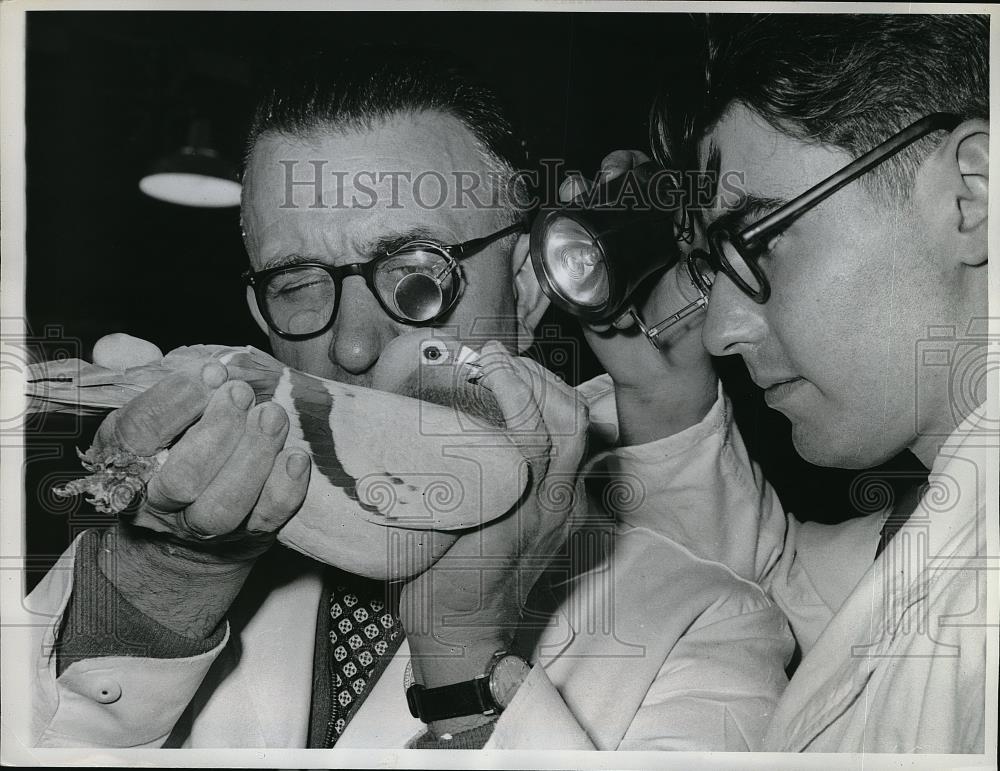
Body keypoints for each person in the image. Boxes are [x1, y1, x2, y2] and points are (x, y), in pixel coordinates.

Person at [25, 49, 792, 750]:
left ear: (526, 287)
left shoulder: (705, 628)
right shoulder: (147, 548)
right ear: (262, 318)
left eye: (418, 274)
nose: (354, 347)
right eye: (297, 285)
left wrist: (462, 670)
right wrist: (163, 587)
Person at [594, 14, 994, 753]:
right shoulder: (943, 519)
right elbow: (770, 596)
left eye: (763, 237)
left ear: (973, 194)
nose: (720, 331)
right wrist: (665, 402)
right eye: (719, 263)